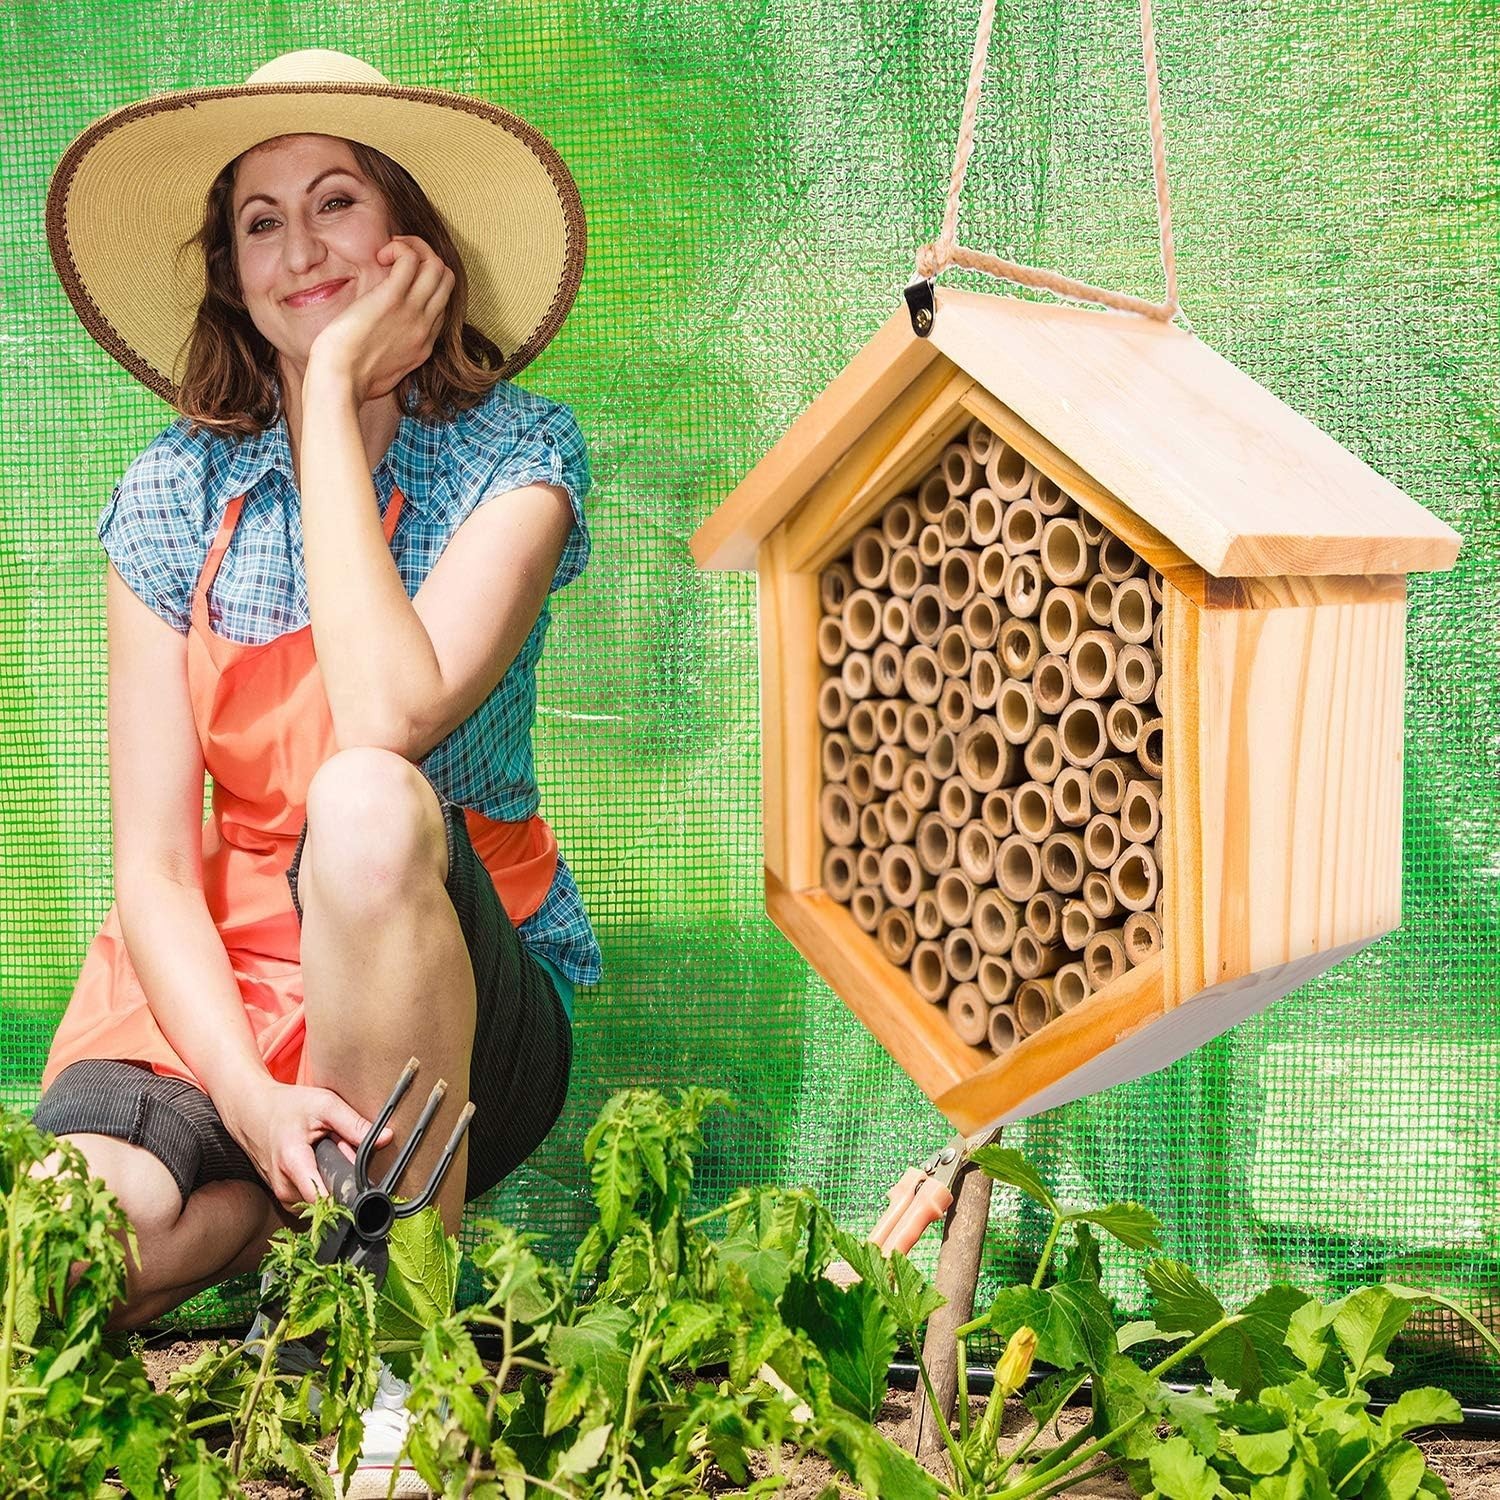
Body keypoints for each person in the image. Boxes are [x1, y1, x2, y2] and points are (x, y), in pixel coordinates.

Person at [31, 48, 599, 1492]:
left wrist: (334, 385)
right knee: (63, 1254)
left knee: (362, 802)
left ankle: (391, 1364)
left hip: (445, 1002)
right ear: (229, 271)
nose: (302, 249)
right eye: (261, 221)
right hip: (223, 997)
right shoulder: (171, 497)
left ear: (413, 239)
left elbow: (391, 712)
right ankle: (271, 1204)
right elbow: (154, 869)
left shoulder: (513, 461)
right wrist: (247, 1090)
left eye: (336, 202)